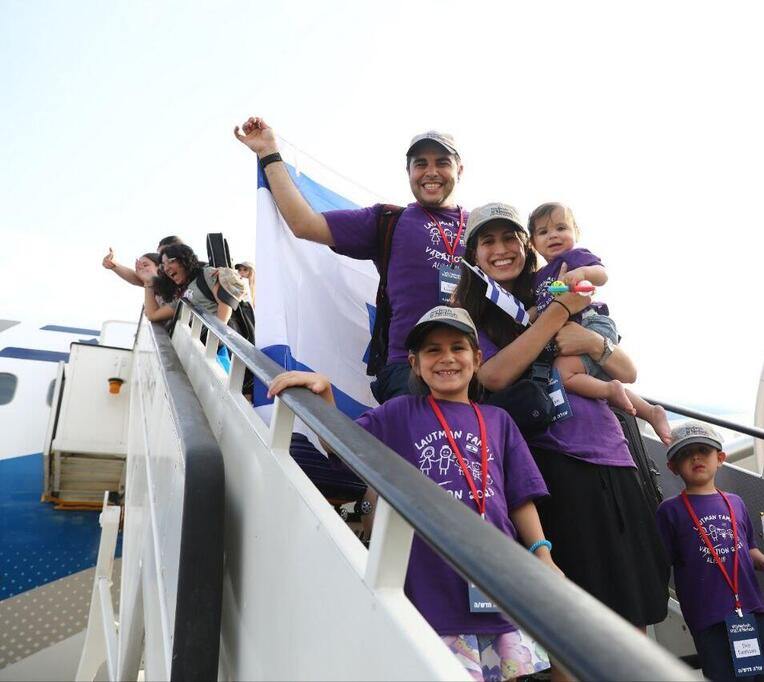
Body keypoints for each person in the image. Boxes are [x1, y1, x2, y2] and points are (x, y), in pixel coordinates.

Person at [267, 306, 555, 681]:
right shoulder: (398, 412)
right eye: (433, 350)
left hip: (496, 576)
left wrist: (542, 553)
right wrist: (325, 399)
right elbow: (345, 447)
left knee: (509, 674)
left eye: (458, 347)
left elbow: (520, 496)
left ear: (477, 358)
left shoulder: (499, 421)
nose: (447, 357)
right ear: (416, 365)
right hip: (429, 580)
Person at [453, 202, 670, 632]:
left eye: (509, 238)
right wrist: (558, 313)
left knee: (634, 609)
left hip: (615, 457)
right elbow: (493, 375)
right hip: (553, 465)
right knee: (573, 620)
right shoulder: (474, 315)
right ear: (472, 255)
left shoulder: (553, 285)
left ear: (525, 246)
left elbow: (626, 371)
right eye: (487, 241)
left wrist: (590, 340)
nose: (500, 250)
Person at [234, 116, 468, 403]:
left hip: (475, 367)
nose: (431, 172)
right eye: (420, 164)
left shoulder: (487, 229)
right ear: (408, 171)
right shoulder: (388, 220)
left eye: (442, 162)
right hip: (409, 370)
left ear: (460, 169)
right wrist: (268, 152)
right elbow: (304, 223)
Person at [527, 202, 672, 444]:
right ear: (533, 242)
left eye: (561, 228)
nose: (553, 235)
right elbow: (540, 305)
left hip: (590, 323)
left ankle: (610, 391)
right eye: (543, 232)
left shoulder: (574, 257)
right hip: (568, 332)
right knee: (597, 378)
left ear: (575, 233)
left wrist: (582, 273)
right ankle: (649, 411)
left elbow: (601, 274)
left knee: (563, 373)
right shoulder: (538, 277)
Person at [656, 421, 764, 682]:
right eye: (684, 454)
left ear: (720, 458)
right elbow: (661, 561)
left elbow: (747, 547)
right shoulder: (669, 511)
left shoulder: (735, 502)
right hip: (708, 617)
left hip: (751, 611)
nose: (695, 457)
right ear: (672, 466)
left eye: (704, 450)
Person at [101, 236, 185, 287]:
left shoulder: (196, 275)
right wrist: (113, 265)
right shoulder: (164, 282)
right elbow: (138, 278)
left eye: (145, 265)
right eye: (161, 255)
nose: (164, 262)